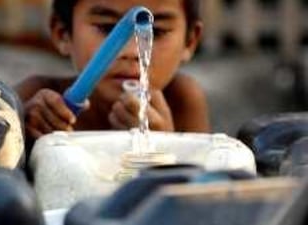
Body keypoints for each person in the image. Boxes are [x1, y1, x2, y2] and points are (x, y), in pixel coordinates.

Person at [15, 0, 211, 148]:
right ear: (63, 33)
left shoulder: (181, 100)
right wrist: (23, 136)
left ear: (190, 41)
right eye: (107, 28)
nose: (133, 52)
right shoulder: (35, 103)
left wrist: (166, 148)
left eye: (156, 32)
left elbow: (199, 194)